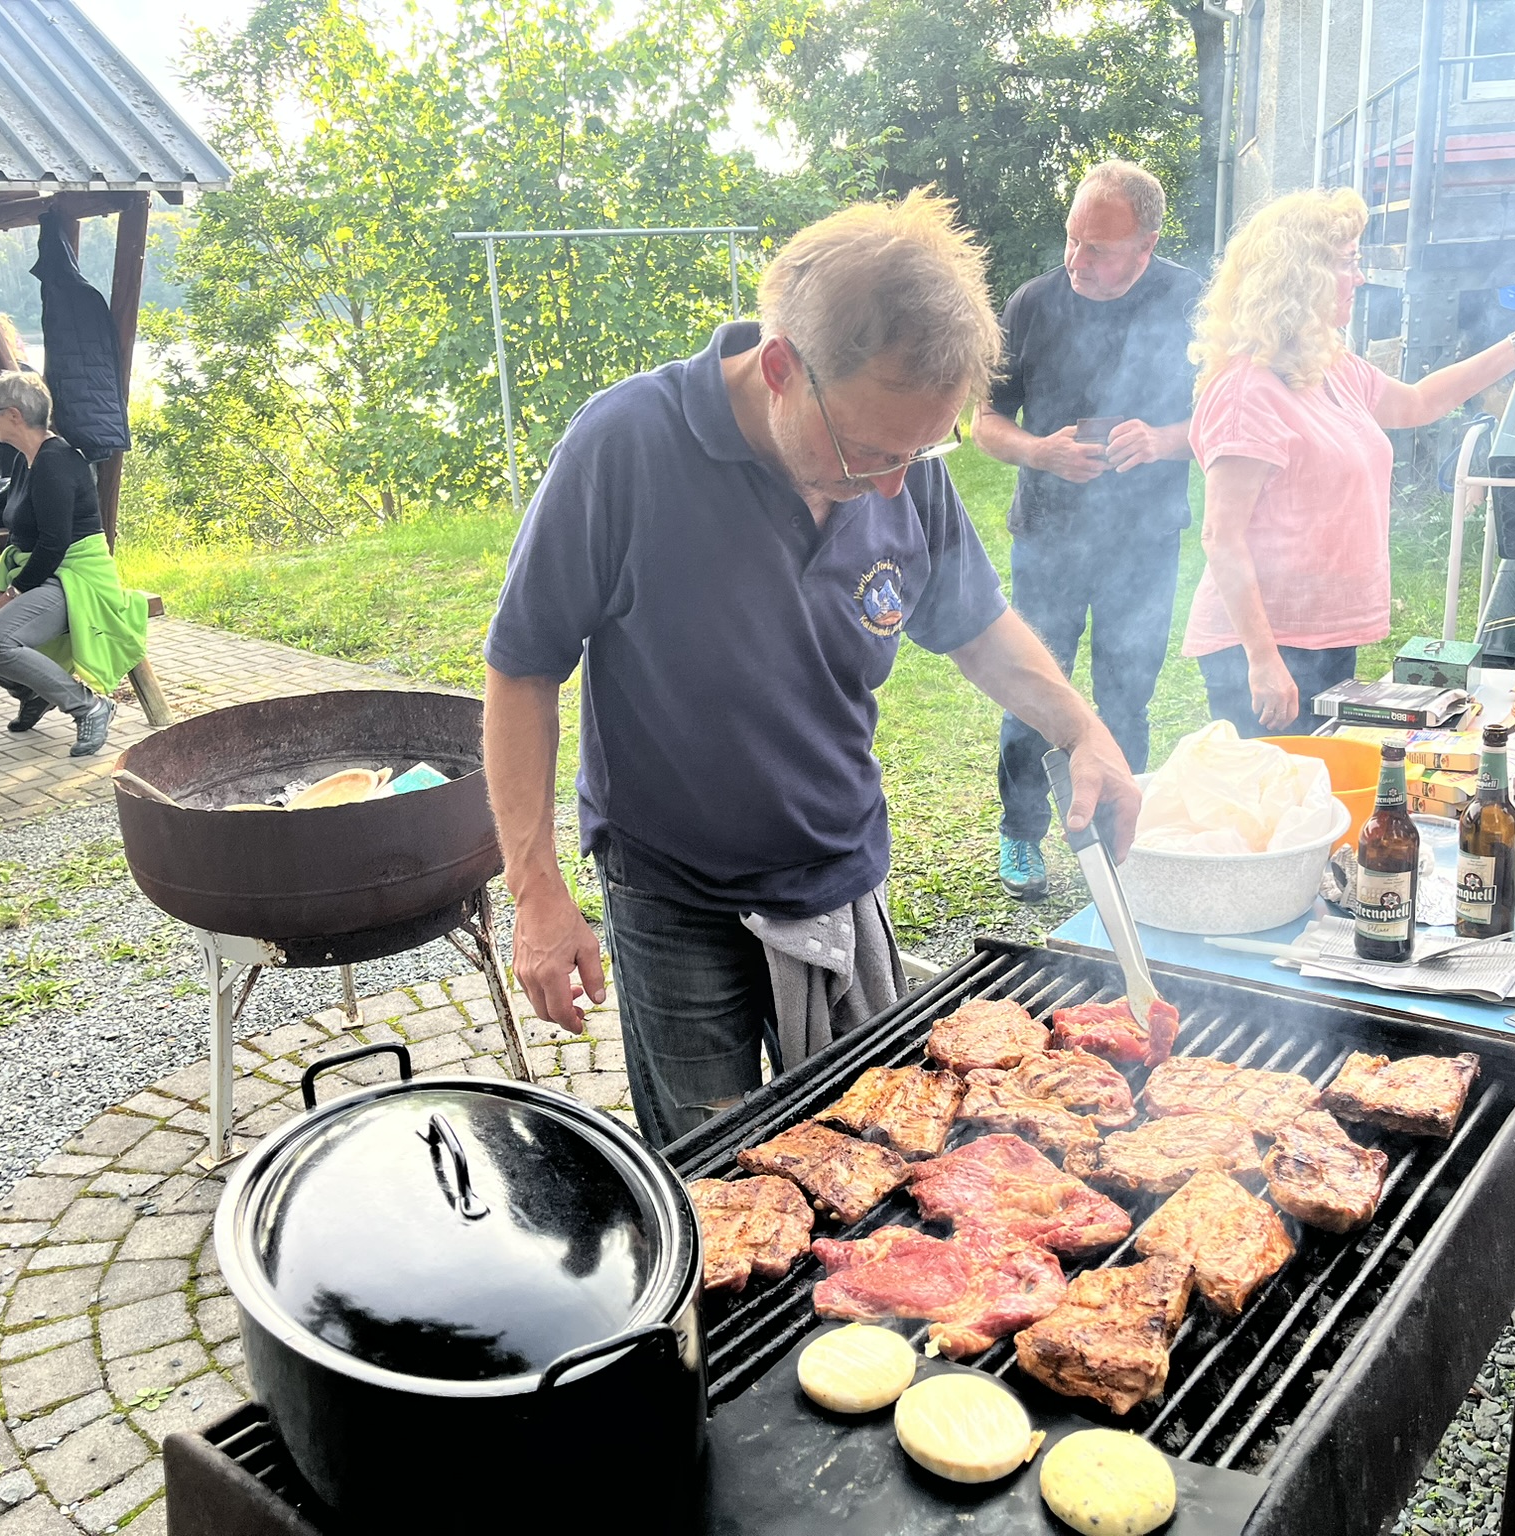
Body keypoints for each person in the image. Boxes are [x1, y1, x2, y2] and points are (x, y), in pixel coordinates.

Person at [484, 193, 1142, 1148]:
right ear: (782, 368)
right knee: (712, 1171)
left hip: (840, 868)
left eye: (920, 450)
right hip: (678, 895)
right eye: (870, 451)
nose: (893, 483)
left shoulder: (902, 461)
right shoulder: (625, 445)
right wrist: (536, 891)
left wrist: (1084, 732)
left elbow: (977, 627)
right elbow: (522, 666)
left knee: (869, 1156)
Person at [1183, 189, 1515, 735]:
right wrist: (1263, 659)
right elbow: (1221, 536)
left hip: (1323, 635)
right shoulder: (1247, 391)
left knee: (1324, 772)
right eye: (1347, 262)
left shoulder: (1330, 367)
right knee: (1281, 785)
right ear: (1301, 276)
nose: (1360, 277)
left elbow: (1419, 402)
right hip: (1265, 645)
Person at [973, 161, 1199, 900]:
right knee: (1034, 688)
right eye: (1072, 239)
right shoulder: (1033, 304)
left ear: (1147, 245)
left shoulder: (1192, 304)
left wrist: (1162, 440)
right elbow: (984, 420)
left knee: (1126, 693)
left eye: (1097, 248)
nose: (1077, 259)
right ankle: (1020, 831)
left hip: (1145, 541)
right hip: (1048, 537)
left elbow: (1232, 419)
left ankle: (1114, 834)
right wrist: (1039, 451)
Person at [0, 373, 145, 758]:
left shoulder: (56, 462)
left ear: (14, 415)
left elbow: (54, 543)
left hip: (73, 575)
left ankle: (88, 705)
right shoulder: (27, 459)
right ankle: (34, 692)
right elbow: (16, 517)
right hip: (40, 567)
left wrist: (12, 592)